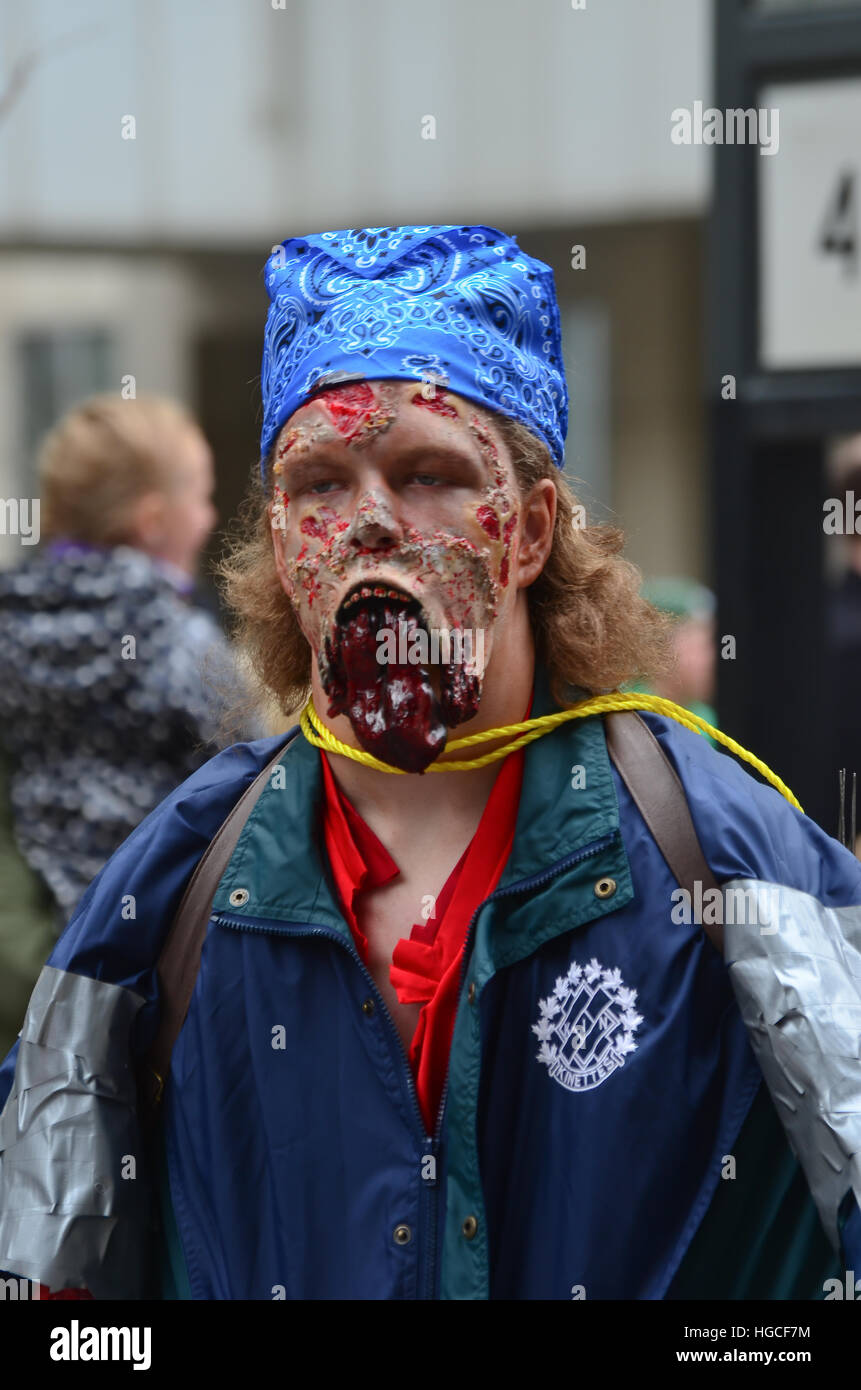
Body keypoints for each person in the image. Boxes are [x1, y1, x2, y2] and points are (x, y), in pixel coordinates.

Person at [0, 225, 860, 1301]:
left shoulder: (718, 852)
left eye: (429, 475)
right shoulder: (178, 884)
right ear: (278, 543)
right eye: (319, 483)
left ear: (532, 531)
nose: (370, 525)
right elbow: (51, 1272)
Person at [0, 394, 259, 1056]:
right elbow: (255, 767)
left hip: (35, 946)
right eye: (201, 499)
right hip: (148, 939)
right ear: (152, 520)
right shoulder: (178, 636)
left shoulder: (12, 625)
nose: (208, 518)